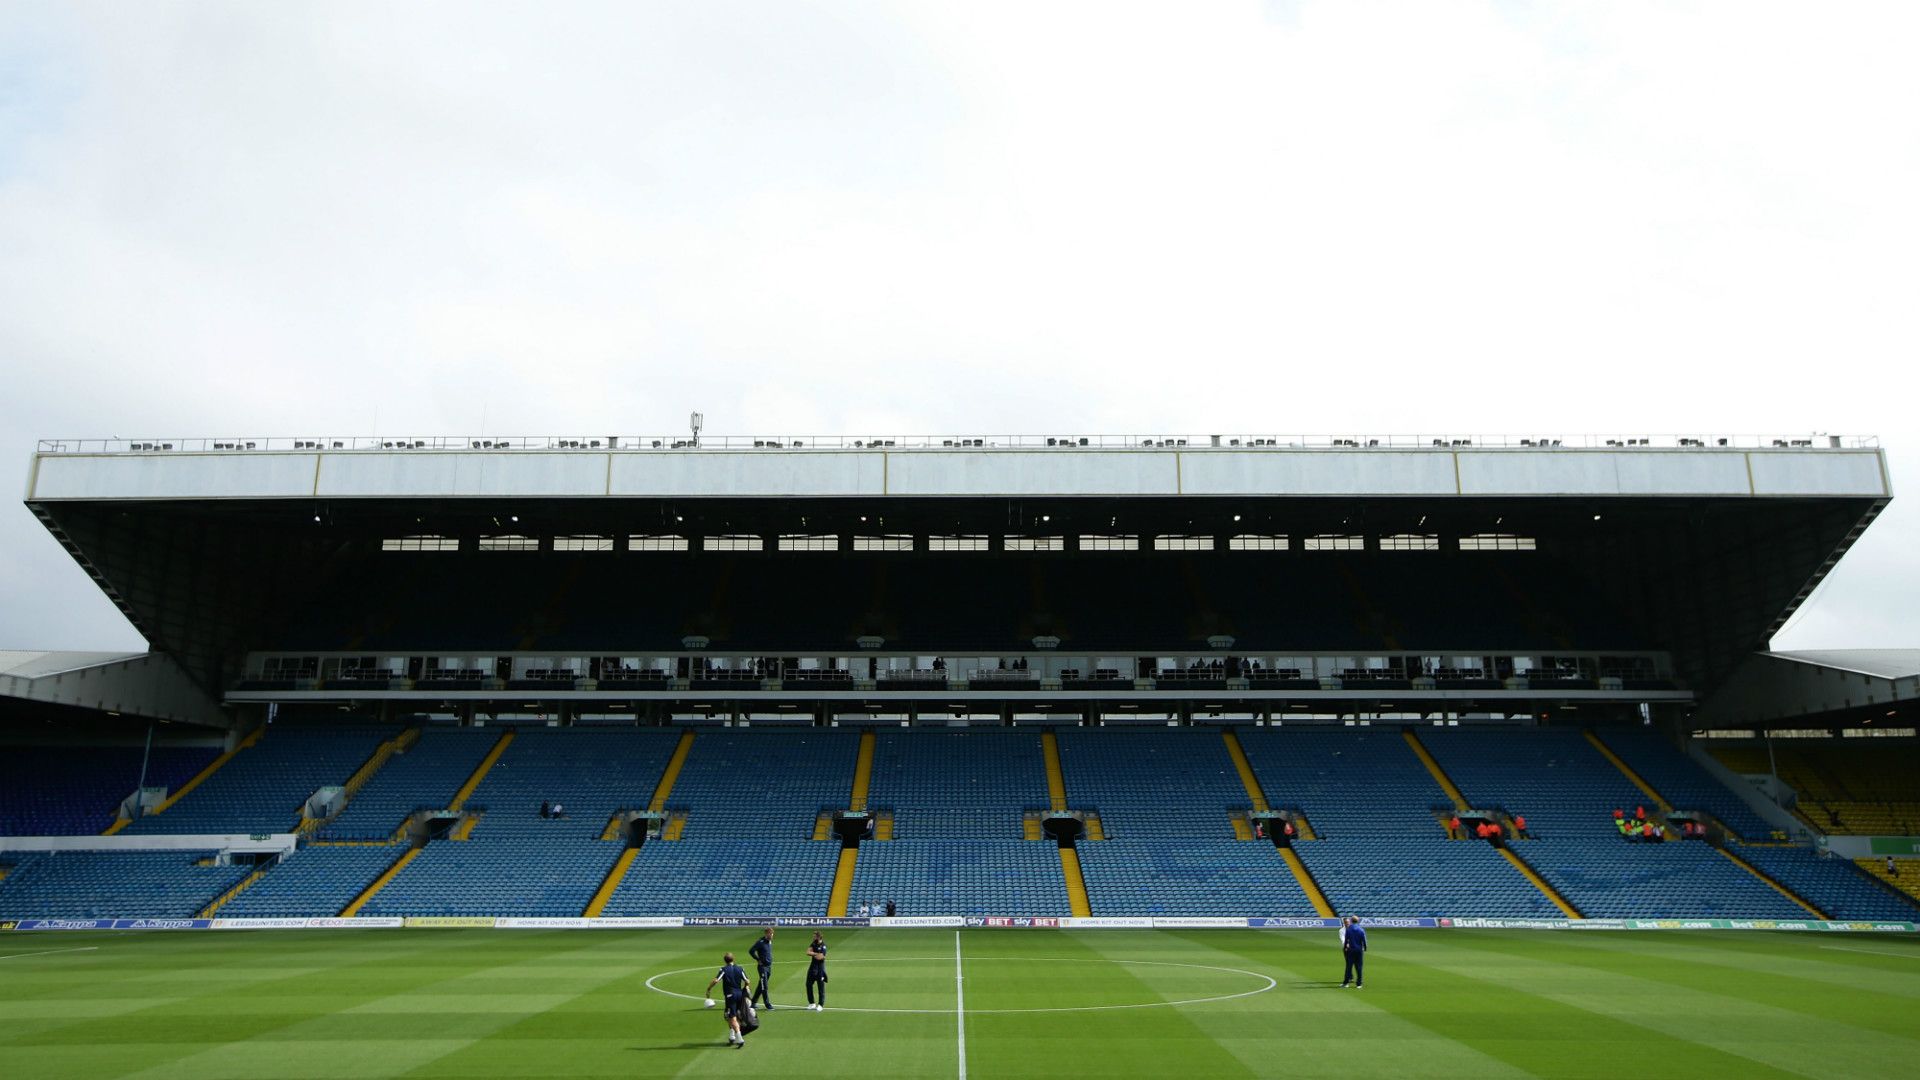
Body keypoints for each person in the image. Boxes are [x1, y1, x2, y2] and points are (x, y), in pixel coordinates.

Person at [704, 951, 752, 1048]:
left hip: (730, 996)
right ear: (733, 959)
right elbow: (747, 980)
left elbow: (716, 980)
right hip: (740, 994)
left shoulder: (724, 969)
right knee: (729, 1015)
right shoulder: (740, 968)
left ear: (725, 961)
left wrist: (709, 989)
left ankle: (740, 1038)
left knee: (732, 1017)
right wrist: (746, 987)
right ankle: (732, 1036)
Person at [749, 927, 776, 1010]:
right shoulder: (760, 942)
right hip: (762, 967)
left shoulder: (769, 942)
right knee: (764, 985)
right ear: (766, 934)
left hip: (768, 967)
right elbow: (751, 951)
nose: (771, 935)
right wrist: (758, 959)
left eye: (772, 934)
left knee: (761, 985)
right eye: (770, 934)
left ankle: (753, 1002)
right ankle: (767, 1004)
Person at [1341, 916, 1367, 988]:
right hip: (1359, 950)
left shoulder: (1349, 929)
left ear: (1351, 921)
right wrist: (1365, 948)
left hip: (1351, 950)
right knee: (1359, 967)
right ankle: (1359, 984)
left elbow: (1346, 940)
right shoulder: (1361, 929)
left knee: (1349, 967)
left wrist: (1346, 947)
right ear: (1358, 921)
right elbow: (1364, 940)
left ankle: (1346, 983)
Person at [805, 931, 829, 1011]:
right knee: (808, 984)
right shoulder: (813, 943)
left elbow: (821, 957)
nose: (813, 937)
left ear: (819, 937)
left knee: (820, 987)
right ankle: (812, 1003)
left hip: (820, 969)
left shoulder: (823, 946)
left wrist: (814, 954)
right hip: (813, 968)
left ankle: (820, 1005)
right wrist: (816, 954)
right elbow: (807, 952)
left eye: (814, 936)